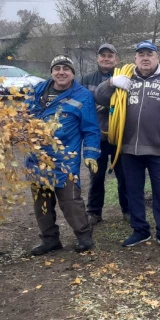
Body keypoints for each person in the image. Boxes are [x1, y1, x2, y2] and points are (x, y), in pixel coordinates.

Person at [94, 40, 160, 252]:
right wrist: (111, 83)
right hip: (128, 148)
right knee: (133, 191)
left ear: (157, 58)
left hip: (158, 149)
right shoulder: (125, 77)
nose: (145, 58)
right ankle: (140, 230)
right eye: (141, 54)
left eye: (149, 54)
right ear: (135, 58)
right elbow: (99, 97)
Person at [26, 55, 101, 255]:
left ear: (72, 73)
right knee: (41, 201)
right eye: (57, 68)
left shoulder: (82, 95)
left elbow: (92, 129)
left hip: (65, 159)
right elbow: (23, 117)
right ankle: (49, 240)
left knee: (70, 200)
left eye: (66, 69)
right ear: (51, 72)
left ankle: (84, 237)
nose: (61, 72)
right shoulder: (37, 90)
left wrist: (91, 153)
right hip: (37, 157)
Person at [80, 43, 129, 226]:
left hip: (120, 136)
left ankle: (128, 210)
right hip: (97, 137)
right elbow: (83, 104)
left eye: (110, 56)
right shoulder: (86, 79)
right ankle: (94, 212)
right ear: (97, 58)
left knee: (124, 176)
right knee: (96, 175)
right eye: (103, 56)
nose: (106, 58)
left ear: (116, 59)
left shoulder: (125, 77)